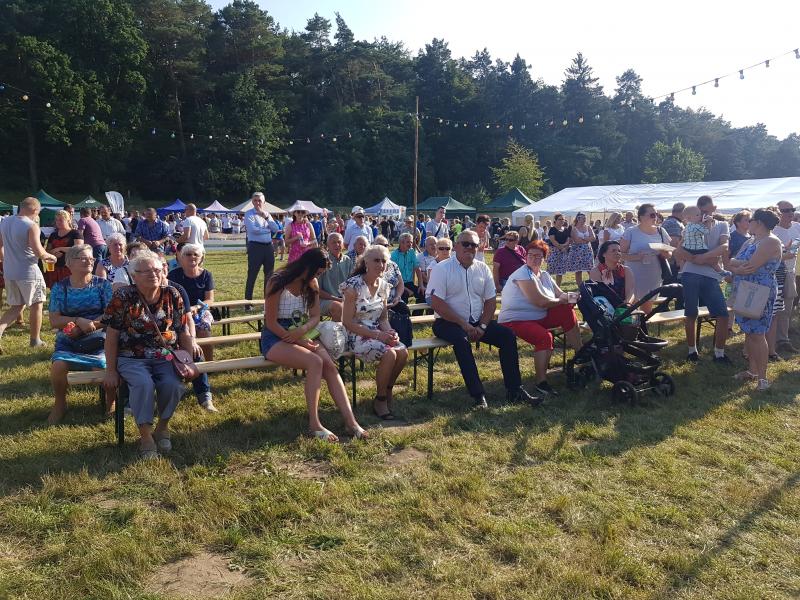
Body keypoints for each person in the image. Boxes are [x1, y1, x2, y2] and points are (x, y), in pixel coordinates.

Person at [260, 248, 367, 441]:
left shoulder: (312, 283)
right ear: (307, 267)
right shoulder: (277, 281)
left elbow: (315, 316)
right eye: (317, 272)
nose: (318, 276)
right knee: (314, 362)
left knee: (329, 366)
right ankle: (314, 424)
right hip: (275, 336)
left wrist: (301, 333)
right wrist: (296, 337)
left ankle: (351, 422)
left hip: (302, 329)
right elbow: (270, 322)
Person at [426, 230, 540, 409]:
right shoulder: (442, 269)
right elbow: (436, 302)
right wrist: (463, 325)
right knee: (462, 340)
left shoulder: (482, 268)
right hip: (447, 322)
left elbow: (490, 301)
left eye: (474, 245)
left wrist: (483, 326)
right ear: (456, 246)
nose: (470, 248)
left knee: (507, 336)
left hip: (476, 322)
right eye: (465, 244)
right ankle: (478, 395)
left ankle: (515, 391)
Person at [101, 251, 193, 459]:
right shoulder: (123, 297)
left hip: (165, 355)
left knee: (173, 384)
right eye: (147, 271)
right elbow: (112, 335)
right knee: (144, 384)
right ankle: (145, 436)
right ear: (134, 276)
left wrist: (188, 360)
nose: (154, 274)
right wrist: (110, 370)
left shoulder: (172, 294)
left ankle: (162, 427)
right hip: (130, 356)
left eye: (157, 270)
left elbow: (182, 331)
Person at [498, 240, 582, 396]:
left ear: (544, 259)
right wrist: (563, 300)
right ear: (525, 256)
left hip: (538, 317)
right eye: (530, 255)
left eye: (538, 256)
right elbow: (541, 302)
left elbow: (561, 295)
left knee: (566, 310)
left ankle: (581, 355)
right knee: (545, 337)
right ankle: (541, 383)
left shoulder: (544, 275)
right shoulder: (522, 274)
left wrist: (576, 297)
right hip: (515, 320)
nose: (534, 258)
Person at [47, 245, 115, 424]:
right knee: (58, 366)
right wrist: (78, 321)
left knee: (102, 365)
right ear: (69, 263)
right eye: (83, 258)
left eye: (91, 258)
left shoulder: (103, 285)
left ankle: (111, 403)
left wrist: (90, 325)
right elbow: (54, 320)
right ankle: (60, 403)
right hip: (68, 338)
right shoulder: (60, 287)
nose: (89, 261)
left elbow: (110, 315)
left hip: (99, 338)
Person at [341, 245, 409, 419]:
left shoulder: (385, 287)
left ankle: (386, 389)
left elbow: (383, 319)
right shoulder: (353, 286)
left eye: (384, 261)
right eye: (376, 260)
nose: (380, 264)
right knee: (390, 354)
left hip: (377, 332)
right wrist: (379, 335)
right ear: (366, 262)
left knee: (402, 352)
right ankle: (380, 400)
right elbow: (347, 322)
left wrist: (391, 332)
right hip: (355, 334)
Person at [727, 209, 783, 390]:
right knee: (749, 332)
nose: (748, 223)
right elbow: (731, 262)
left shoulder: (771, 241)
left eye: (750, 220)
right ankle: (752, 371)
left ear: (758, 222)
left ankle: (763, 379)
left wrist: (737, 265)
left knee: (758, 334)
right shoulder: (753, 240)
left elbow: (751, 265)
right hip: (746, 289)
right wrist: (737, 267)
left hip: (760, 291)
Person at [672, 195, 731, 363]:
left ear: (714, 208)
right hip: (691, 273)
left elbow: (724, 246)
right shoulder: (691, 225)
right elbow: (679, 249)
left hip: (710, 275)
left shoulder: (721, 224)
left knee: (722, 313)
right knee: (691, 313)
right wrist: (695, 259)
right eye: (700, 211)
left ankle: (719, 353)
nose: (703, 214)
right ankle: (692, 351)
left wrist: (704, 257)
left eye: (706, 210)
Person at [0, 197, 57, 353]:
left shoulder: (4, 222)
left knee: (16, 306)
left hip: (10, 271)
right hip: (28, 271)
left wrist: (7, 260)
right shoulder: (31, 226)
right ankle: (35, 340)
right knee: (37, 304)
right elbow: (39, 252)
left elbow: (0, 247)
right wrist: (51, 256)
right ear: (35, 210)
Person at [168, 243, 217, 412]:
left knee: (203, 329)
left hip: (200, 310)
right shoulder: (173, 276)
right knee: (189, 338)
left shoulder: (206, 275)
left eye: (195, 254)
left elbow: (210, 300)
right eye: (188, 254)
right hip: (179, 313)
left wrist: (197, 307)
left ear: (201, 257)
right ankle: (195, 368)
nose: (192, 257)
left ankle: (208, 366)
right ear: (181, 258)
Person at [619, 204, 673, 315]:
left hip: (654, 274)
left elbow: (669, 254)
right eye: (652, 215)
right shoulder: (631, 231)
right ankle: (631, 331)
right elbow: (619, 254)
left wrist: (665, 253)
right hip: (634, 273)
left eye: (657, 214)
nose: (656, 217)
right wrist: (636, 257)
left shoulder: (661, 231)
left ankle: (643, 329)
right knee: (631, 306)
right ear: (641, 217)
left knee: (647, 307)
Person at [772, 200, 800, 353]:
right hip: (774, 273)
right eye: (786, 210)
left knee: (788, 307)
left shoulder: (797, 227)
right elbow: (768, 255)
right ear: (778, 213)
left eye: (792, 209)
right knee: (775, 310)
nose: (790, 213)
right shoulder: (773, 231)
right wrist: (784, 255)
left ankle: (783, 340)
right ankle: (773, 340)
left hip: (790, 272)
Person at [244, 192, 280, 305]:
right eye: (255, 200)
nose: (257, 202)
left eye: (259, 200)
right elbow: (252, 230)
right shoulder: (249, 214)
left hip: (268, 247)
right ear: (252, 202)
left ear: (263, 202)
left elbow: (276, 228)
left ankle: (267, 300)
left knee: (269, 275)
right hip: (255, 247)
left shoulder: (267, 214)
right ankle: (248, 302)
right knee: (252, 274)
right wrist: (267, 230)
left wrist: (266, 217)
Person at [681, 206, 731, 277]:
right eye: (698, 215)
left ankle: (681, 270)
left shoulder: (687, 226)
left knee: (686, 256)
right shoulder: (695, 226)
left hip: (688, 250)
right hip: (697, 248)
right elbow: (707, 231)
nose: (701, 216)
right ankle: (720, 271)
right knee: (713, 261)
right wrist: (709, 222)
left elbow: (683, 235)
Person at [44, 209, 84, 288]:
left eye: (61, 220)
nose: (58, 222)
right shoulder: (53, 235)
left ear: (68, 220)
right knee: (56, 292)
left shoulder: (75, 233)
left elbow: (79, 249)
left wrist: (59, 248)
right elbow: (47, 250)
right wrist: (53, 253)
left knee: (70, 292)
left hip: (70, 268)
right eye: (56, 220)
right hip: (54, 268)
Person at [317, 232, 352, 321]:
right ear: (327, 245)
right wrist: (337, 299)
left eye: (339, 242)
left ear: (343, 244)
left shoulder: (347, 260)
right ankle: (337, 334)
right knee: (338, 307)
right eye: (333, 242)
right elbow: (317, 290)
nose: (337, 245)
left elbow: (351, 284)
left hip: (343, 298)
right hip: (322, 300)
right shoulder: (322, 261)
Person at [391, 232, 424, 303]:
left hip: (409, 283)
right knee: (404, 295)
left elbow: (417, 268)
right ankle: (405, 314)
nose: (410, 244)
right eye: (408, 242)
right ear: (401, 243)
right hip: (398, 284)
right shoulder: (394, 255)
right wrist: (407, 290)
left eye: (411, 242)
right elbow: (393, 276)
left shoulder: (412, 252)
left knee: (422, 293)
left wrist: (421, 285)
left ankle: (417, 314)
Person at [372, 236, 405, 307]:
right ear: (374, 246)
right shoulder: (369, 264)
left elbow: (400, 284)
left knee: (404, 310)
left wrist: (398, 297)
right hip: (376, 304)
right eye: (380, 245)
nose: (383, 247)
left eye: (386, 245)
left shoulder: (393, 265)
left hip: (394, 301)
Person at [567, 213, 596, 285]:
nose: (585, 219)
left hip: (587, 251)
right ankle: (580, 288)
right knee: (578, 271)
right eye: (583, 218)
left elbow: (594, 238)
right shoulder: (573, 228)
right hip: (577, 252)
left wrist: (583, 238)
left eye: (585, 218)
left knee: (590, 269)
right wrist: (588, 239)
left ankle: (594, 285)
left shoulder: (588, 227)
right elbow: (577, 241)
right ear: (578, 219)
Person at [547, 214, 572, 286]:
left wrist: (564, 247)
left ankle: (557, 287)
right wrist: (561, 247)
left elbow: (568, 240)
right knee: (550, 270)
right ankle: (547, 286)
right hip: (553, 252)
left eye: (563, 219)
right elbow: (553, 241)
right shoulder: (552, 229)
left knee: (560, 272)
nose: (561, 221)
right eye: (559, 219)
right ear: (555, 220)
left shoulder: (566, 229)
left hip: (563, 252)